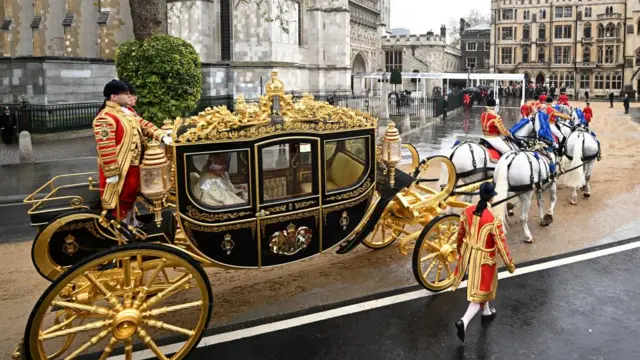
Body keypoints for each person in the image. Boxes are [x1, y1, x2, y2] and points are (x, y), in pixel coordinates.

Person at [93, 79, 172, 224]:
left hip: (134, 163)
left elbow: (145, 126)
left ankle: (131, 222)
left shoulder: (127, 113)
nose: (129, 97)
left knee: (131, 195)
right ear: (114, 97)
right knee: (120, 198)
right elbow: (106, 147)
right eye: (126, 94)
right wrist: (111, 172)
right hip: (120, 168)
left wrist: (162, 136)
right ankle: (121, 228)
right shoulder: (105, 118)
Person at [452, 182, 516, 342]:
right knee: (480, 293)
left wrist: (459, 250)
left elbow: (460, 234)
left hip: (469, 255)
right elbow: (501, 245)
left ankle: (486, 311)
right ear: (492, 198)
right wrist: (510, 264)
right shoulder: (493, 219)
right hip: (485, 260)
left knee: (485, 288)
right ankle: (464, 321)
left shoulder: (466, 211)